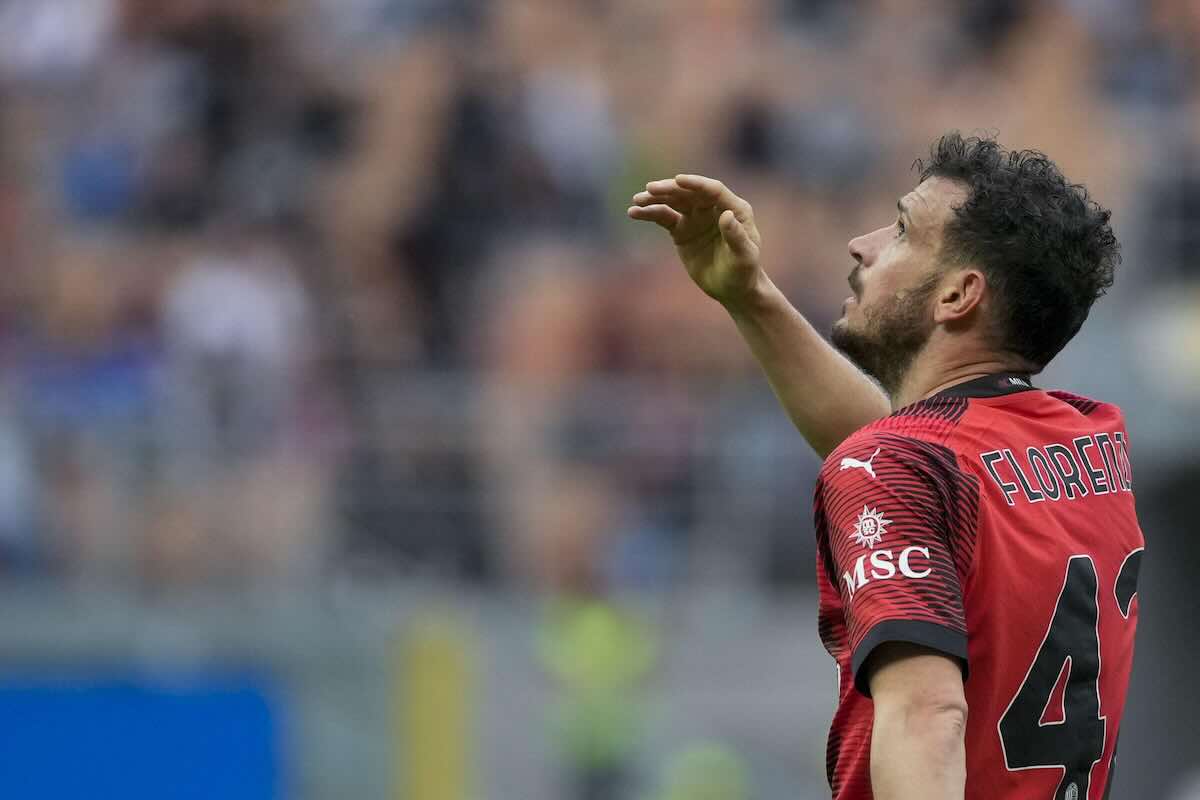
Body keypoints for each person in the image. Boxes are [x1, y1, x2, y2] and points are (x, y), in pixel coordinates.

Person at [628, 133, 1143, 800]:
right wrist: (750, 295)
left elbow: (927, 714)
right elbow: (905, 461)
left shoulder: (899, 464)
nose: (862, 244)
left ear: (958, 295)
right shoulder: (1092, 440)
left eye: (901, 231)